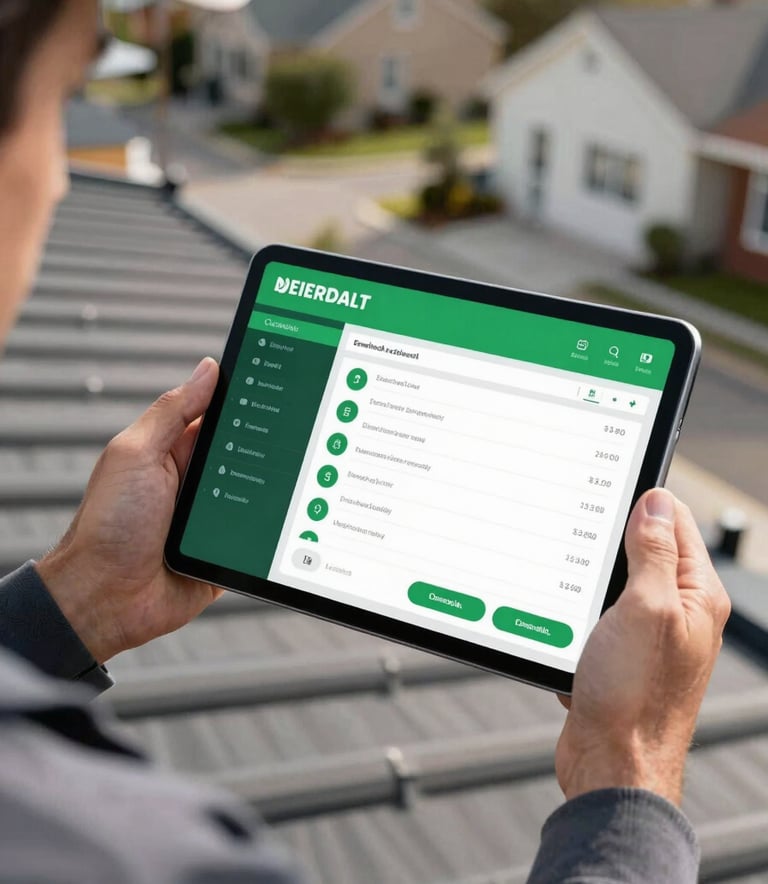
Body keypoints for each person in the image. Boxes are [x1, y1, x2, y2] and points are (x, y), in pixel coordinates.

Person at [0, 2, 731, 882]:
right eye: (60, 101)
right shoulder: (127, 854)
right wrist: (630, 766)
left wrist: (80, 597)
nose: (61, 180)